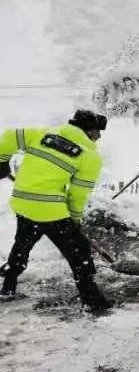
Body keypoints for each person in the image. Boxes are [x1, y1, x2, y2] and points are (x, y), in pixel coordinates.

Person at [0, 110, 112, 314]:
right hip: (51, 210)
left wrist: (1, 161)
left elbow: (9, 136)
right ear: (89, 131)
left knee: (23, 243)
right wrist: (75, 220)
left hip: (23, 202)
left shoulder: (42, 134)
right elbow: (77, 196)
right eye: (98, 132)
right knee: (79, 254)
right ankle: (93, 302)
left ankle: (8, 285)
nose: (100, 137)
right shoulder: (89, 157)